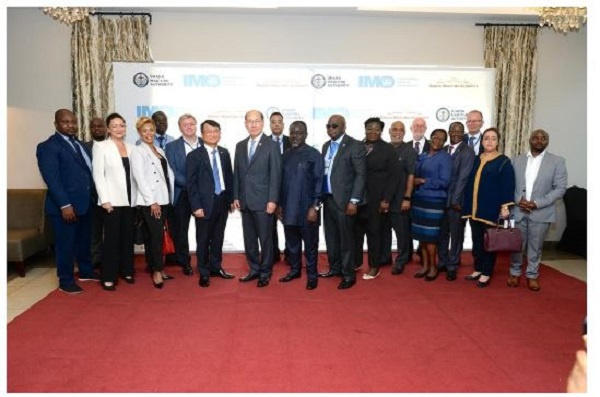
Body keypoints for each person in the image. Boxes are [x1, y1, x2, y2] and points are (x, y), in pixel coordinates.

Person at [36, 109, 98, 293]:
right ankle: (65, 280)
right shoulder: (48, 147)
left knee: (84, 240)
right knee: (66, 244)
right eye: (65, 122)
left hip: (85, 203)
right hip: (65, 207)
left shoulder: (79, 144)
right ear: (56, 124)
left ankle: (86, 271)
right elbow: (52, 179)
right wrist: (65, 205)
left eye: (73, 122)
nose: (70, 126)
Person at [509, 129, 568, 291]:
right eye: (536, 137)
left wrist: (537, 203)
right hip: (518, 210)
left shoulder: (557, 161)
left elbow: (560, 188)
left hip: (541, 212)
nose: (539, 140)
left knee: (535, 247)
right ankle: (514, 273)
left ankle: (532, 275)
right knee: (516, 245)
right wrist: (517, 200)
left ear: (547, 142)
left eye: (544, 138)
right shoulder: (517, 160)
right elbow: (509, 184)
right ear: (530, 140)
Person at [233, 110, 282, 288]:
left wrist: (273, 200)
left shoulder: (272, 145)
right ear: (245, 123)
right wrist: (236, 196)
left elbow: (276, 175)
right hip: (245, 201)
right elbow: (237, 173)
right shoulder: (239, 145)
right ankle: (254, 269)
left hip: (264, 202)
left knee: (266, 239)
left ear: (262, 123)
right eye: (249, 121)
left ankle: (265, 272)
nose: (253, 125)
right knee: (250, 240)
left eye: (256, 121)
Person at [462, 127, 515, 287]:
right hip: (474, 209)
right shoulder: (477, 158)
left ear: (498, 142)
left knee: (489, 242)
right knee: (477, 240)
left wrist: (505, 206)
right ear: (482, 141)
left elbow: (508, 185)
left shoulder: (503, 161)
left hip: (491, 208)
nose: (489, 141)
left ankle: (486, 272)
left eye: (493, 138)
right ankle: (478, 268)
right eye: (486, 138)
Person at [319, 114, 366, 290]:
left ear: (344, 127)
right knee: (331, 238)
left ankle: (348, 275)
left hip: (346, 201)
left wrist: (354, 200)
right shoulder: (325, 146)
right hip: (328, 199)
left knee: (346, 240)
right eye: (329, 126)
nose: (331, 129)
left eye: (335, 126)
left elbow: (361, 175)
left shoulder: (354, 145)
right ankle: (335, 268)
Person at [186, 120, 235, 288]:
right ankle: (204, 272)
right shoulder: (194, 156)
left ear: (220, 133)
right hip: (204, 204)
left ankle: (216, 267)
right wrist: (195, 206)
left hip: (222, 201)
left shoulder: (224, 153)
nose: (213, 134)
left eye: (216, 131)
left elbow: (229, 177)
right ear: (202, 134)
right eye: (209, 131)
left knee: (218, 237)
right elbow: (191, 184)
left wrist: (231, 199)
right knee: (203, 238)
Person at [92, 113, 138, 291]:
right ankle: (109, 276)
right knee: (111, 240)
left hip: (130, 201)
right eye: (115, 126)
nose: (119, 129)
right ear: (109, 129)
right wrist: (105, 200)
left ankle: (127, 270)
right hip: (111, 201)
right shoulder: (101, 147)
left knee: (128, 237)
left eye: (122, 125)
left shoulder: (132, 147)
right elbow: (98, 175)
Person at [130, 117, 175, 289]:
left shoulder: (158, 150)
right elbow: (140, 178)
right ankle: (157, 270)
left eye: (151, 130)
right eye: (145, 131)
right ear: (139, 133)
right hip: (151, 201)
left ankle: (156, 266)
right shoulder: (138, 151)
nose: (149, 133)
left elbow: (167, 175)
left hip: (163, 198)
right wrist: (152, 202)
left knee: (155, 235)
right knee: (155, 236)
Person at [278, 121, 323, 290]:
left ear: (306, 134)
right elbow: (281, 183)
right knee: (292, 244)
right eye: (292, 132)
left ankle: (312, 276)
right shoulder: (285, 155)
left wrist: (315, 206)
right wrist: (280, 206)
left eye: (299, 133)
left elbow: (320, 182)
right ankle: (295, 271)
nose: (295, 136)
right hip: (288, 209)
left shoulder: (314, 154)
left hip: (307, 210)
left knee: (310, 246)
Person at [353, 117, 400, 280]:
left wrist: (386, 199)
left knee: (374, 232)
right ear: (364, 129)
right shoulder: (357, 146)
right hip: (357, 198)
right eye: (369, 128)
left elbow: (394, 177)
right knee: (356, 232)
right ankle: (355, 262)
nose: (372, 131)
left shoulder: (388, 149)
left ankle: (374, 266)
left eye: (376, 129)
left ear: (381, 131)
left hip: (377, 198)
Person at [411, 129, 452, 281]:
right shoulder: (422, 155)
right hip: (419, 200)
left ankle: (433, 267)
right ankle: (425, 266)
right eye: (435, 137)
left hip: (434, 201)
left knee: (431, 237)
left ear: (444, 142)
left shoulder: (445, 158)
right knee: (422, 237)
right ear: (430, 138)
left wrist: (423, 181)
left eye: (441, 139)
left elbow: (445, 182)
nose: (437, 141)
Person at [165, 114, 202, 276]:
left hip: (202, 195)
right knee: (181, 231)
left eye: (192, 124)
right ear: (180, 127)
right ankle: (185, 262)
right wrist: (190, 186)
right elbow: (172, 170)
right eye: (185, 125)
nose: (189, 127)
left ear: (196, 125)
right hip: (182, 194)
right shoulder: (172, 146)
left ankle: (203, 261)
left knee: (204, 230)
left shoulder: (206, 142)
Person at [437, 122, 475, 281]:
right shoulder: (443, 149)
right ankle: (443, 261)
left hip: (456, 201)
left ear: (463, 132)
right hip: (440, 199)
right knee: (442, 233)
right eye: (453, 130)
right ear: (449, 132)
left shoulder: (468, 151)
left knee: (456, 234)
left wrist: (455, 200)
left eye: (459, 131)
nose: (456, 133)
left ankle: (453, 264)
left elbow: (463, 178)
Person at [384, 121, 417, 275]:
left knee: (402, 232)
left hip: (400, 199)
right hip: (383, 199)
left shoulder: (409, 150)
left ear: (404, 133)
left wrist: (407, 197)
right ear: (389, 131)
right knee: (384, 231)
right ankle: (385, 257)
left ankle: (402, 259)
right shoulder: (383, 148)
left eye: (400, 130)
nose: (397, 132)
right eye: (394, 129)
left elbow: (411, 175)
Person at [84, 117, 107, 269]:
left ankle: (111, 259)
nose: (97, 129)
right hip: (91, 197)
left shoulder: (113, 145)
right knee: (94, 231)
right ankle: (95, 262)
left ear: (106, 128)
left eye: (100, 126)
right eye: (93, 127)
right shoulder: (84, 147)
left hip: (112, 196)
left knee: (112, 231)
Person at [268, 111, 291, 264]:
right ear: (269, 124)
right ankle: (273, 254)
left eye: (279, 121)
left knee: (289, 223)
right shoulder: (263, 142)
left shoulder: (293, 140)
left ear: (283, 124)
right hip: (269, 190)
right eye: (273, 121)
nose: (276, 124)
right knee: (269, 225)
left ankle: (290, 254)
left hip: (289, 190)